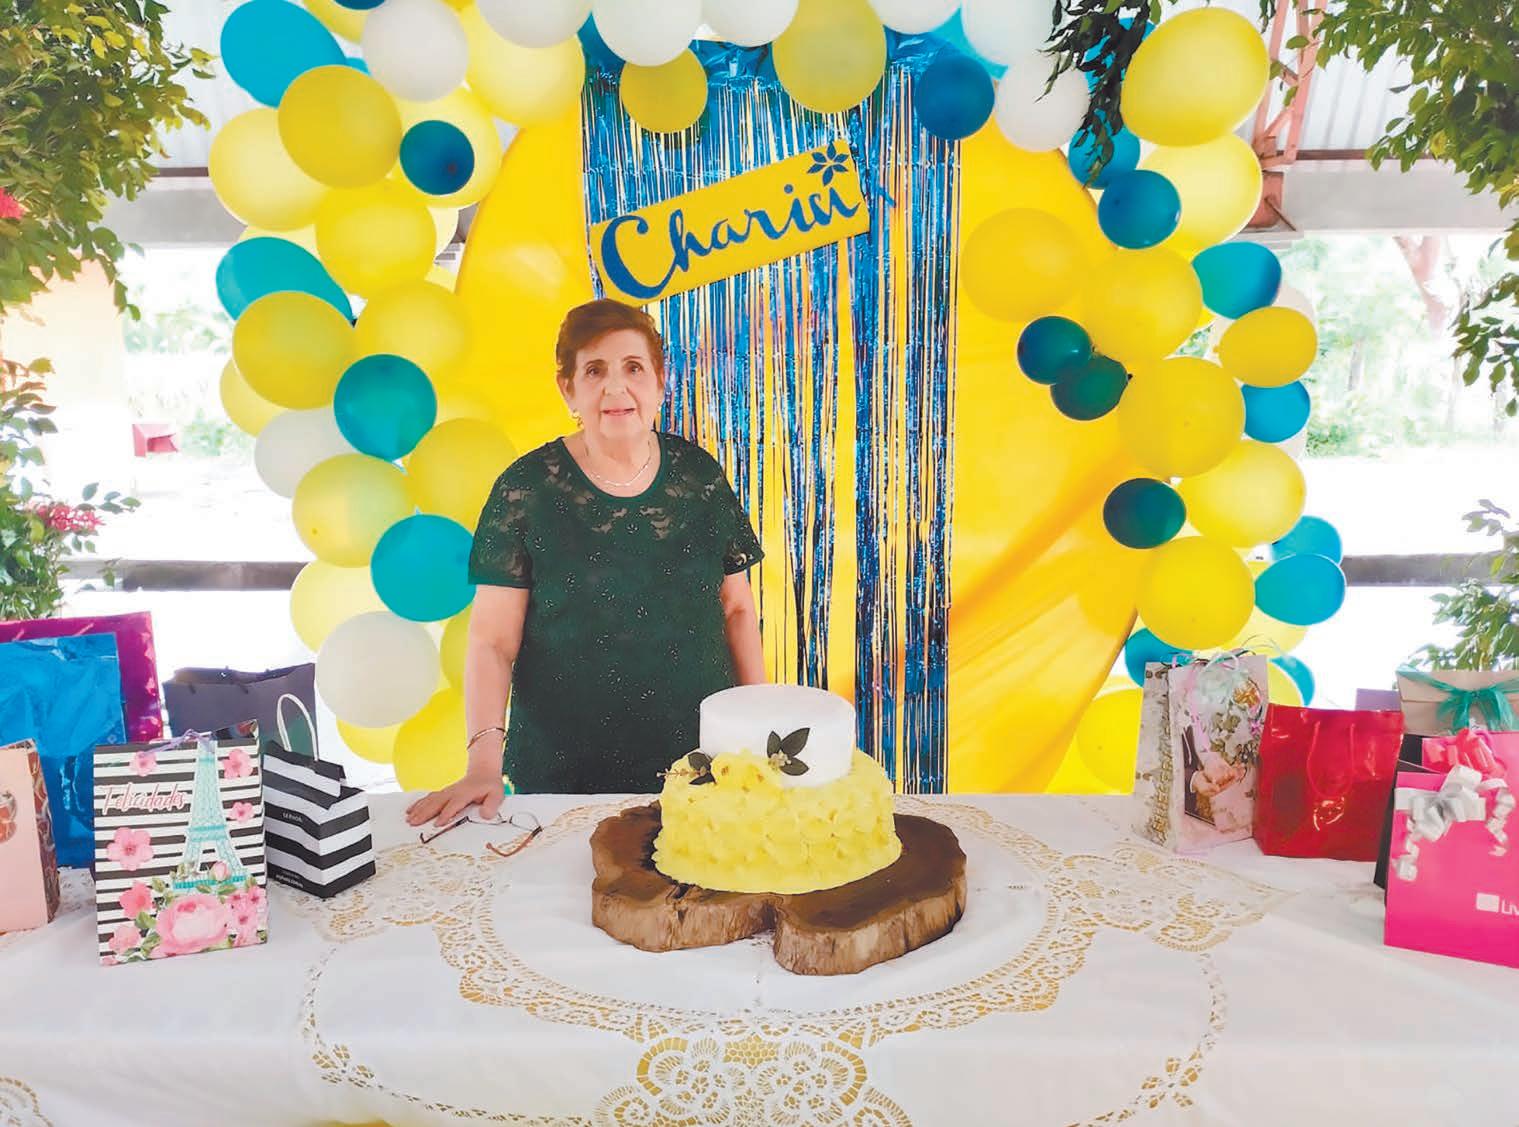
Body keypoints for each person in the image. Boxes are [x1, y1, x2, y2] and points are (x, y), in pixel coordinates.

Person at [406, 299, 766, 826]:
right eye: (595, 370)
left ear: (660, 382)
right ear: (568, 390)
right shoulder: (525, 489)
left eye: (633, 368)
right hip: (564, 775)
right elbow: (492, 642)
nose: (615, 388)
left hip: (703, 763)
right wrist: (482, 764)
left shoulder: (700, 476)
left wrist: (756, 730)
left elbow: (736, 610)